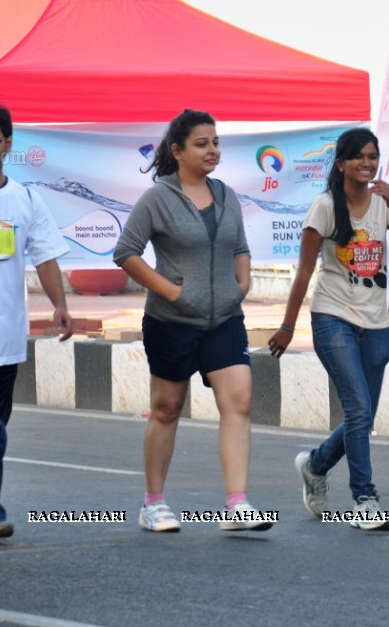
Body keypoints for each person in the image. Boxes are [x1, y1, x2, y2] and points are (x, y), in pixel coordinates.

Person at [113, 109, 271, 533]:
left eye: (216, 142)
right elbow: (126, 252)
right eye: (202, 144)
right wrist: (172, 291)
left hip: (224, 319)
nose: (212, 150)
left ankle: (238, 504)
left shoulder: (226, 194)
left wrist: (243, 281)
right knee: (167, 409)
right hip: (171, 321)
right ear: (178, 151)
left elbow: (239, 244)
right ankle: (153, 503)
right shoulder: (158, 198)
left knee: (238, 400)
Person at [268, 127, 389, 531]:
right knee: (357, 409)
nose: (367, 164)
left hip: (376, 322)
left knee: (361, 416)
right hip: (333, 317)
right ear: (341, 164)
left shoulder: (382, 203)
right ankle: (365, 499)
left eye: (373, 157)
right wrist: (286, 326)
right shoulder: (325, 207)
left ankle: (315, 466)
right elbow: (303, 272)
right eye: (359, 158)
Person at [0, 101, 74, 539]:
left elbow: (44, 257)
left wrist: (60, 306)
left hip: (8, 333)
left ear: (7, 144)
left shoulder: (25, 198)